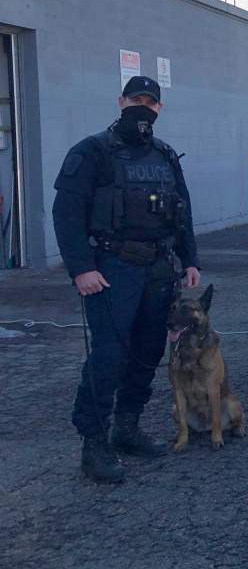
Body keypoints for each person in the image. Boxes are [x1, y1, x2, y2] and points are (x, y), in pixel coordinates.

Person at [53, 76, 201, 484]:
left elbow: (182, 209)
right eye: (136, 98)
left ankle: (127, 427)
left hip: (158, 268)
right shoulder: (93, 151)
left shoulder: (165, 155)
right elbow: (66, 214)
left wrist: (190, 258)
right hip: (111, 269)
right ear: (120, 101)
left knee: (147, 352)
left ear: (159, 109)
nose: (143, 106)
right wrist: (81, 268)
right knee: (109, 357)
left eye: (150, 102)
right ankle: (94, 444)